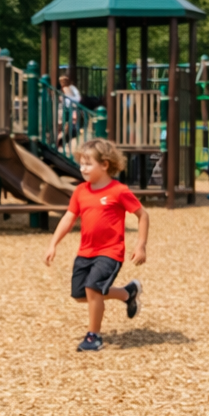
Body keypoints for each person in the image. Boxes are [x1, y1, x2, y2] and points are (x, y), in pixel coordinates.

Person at [43, 138, 149, 352]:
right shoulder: (80, 191)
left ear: (105, 164)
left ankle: (94, 337)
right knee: (81, 295)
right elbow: (68, 218)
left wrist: (141, 246)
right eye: (81, 163)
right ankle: (128, 293)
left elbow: (142, 214)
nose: (82, 168)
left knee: (93, 289)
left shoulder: (118, 191)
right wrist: (53, 244)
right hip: (86, 252)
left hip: (110, 252)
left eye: (88, 163)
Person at [58, 74, 82, 147]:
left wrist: (68, 97)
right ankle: (61, 142)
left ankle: (70, 141)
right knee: (63, 126)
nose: (63, 82)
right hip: (64, 109)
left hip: (72, 108)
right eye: (61, 81)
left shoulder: (71, 88)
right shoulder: (61, 89)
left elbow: (78, 98)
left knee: (72, 126)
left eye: (64, 81)